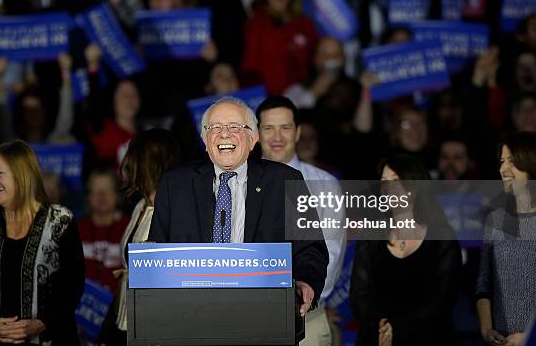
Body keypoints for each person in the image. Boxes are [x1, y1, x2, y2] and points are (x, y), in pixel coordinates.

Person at [148, 96, 329, 317]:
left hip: (263, 315)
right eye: (215, 127)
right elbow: (155, 253)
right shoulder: (175, 184)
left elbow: (310, 249)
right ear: (205, 139)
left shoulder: (286, 181)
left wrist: (305, 281)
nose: (224, 134)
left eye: (234, 127)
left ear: (253, 139)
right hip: (190, 316)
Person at [0, 140, 85, 345]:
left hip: (50, 338)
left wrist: (40, 323)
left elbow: (71, 285)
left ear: (21, 174)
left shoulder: (60, 220)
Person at [256, 96, 345, 346]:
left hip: (307, 316)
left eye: (285, 128)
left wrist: (299, 298)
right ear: (256, 133)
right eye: (268, 128)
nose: (277, 137)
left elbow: (331, 254)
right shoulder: (238, 182)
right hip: (250, 314)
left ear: (297, 132)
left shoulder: (325, 184)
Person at [350, 155, 462, 346]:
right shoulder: (371, 235)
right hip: (378, 339)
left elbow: (443, 296)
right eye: (384, 182)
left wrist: (399, 327)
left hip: (428, 338)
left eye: (396, 181)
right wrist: (381, 326)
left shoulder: (441, 236)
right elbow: (359, 294)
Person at [99, 128, 182, 345]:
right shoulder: (140, 205)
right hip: (125, 320)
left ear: (147, 164)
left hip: (154, 327)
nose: (126, 166)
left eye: (132, 159)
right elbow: (127, 272)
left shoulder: (176, 212)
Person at [476, 132, 536, 346]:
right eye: (502, 162)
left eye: (512, 161)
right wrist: (487, 329)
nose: (503, 170)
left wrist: (529, 338)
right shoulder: (495, 219)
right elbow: (483, 284)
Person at [78, 169, 129, 291]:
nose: (102, 196)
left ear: (117, 195)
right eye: (96, 191)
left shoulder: (130, 227)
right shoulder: (75, 228)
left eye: (108, 190)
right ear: (88, 196)